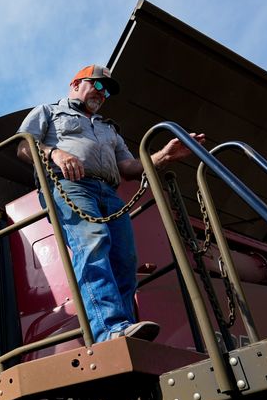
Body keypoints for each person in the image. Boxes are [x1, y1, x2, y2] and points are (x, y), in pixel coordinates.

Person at [16, 64, 205, 342]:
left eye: (107, 91)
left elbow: (128, 167)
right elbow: (23, 146)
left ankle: (125, 329)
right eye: (97, 85)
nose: (102, 94)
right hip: (70, 187)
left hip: (109, 193)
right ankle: (108, 330)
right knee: (92, 243)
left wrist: (164, 155)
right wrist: (54, 153)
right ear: (76, 84)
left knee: (125, 259)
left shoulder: (108, 129)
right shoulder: (48, 112)